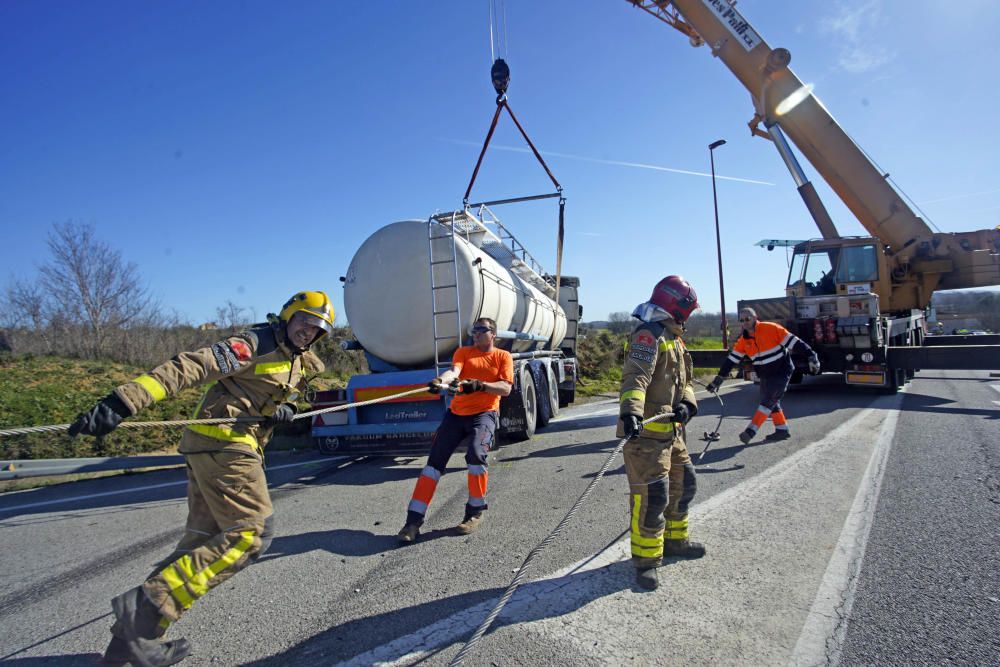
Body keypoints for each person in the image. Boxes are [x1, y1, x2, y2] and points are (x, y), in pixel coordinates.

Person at [69, 291, 334, 667]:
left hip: (218, 447)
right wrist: (123, 401)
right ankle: (142, 606)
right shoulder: (252, 344)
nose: (309, 331)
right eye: (304, 321)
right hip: (224, 443)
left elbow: (285, 393)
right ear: (287, 317)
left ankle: (129, 645)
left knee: (201, 542)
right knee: (250, 535)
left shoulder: (302, 360)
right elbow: (190, 366)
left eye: (317, 328)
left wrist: (287, 409)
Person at [618, 276, 705, 591]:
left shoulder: (674, 338)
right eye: (687, 309)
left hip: (673, 434)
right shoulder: (649, 335)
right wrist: (631, 413)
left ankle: (675, 542)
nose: (689, 316)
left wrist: (687, 404)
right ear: (674, 304)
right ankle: (645, 561)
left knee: (686, 485)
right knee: (652, 498)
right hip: (647, 439)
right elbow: (635, 378)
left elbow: (686, 382)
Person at [396, 317, 513, 543]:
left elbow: (505, 389)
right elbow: (454, 371)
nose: (476, 333)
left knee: (476, 455)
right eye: (474, 330)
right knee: (433, 464)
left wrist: (481, 385)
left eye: (482, 330)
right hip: (456, 415)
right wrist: (439, 380)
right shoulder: (464, 352)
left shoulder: (502, 356)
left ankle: (474, 513)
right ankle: (412, 523)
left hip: (484, 414)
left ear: (493, 334)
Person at [707, 306, 820, 445]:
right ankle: (782, 430)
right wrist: (718, 379)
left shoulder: (771, 329)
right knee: (772, 401)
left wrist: (811, 356)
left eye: (747, 319)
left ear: (755, 318)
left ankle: (751, 431)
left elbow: (795, 343)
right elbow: (731, 360)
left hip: (782, 370)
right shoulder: (744, 340)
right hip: (765, 374)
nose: (745, 322)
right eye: (741, 320)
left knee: (768, 401)